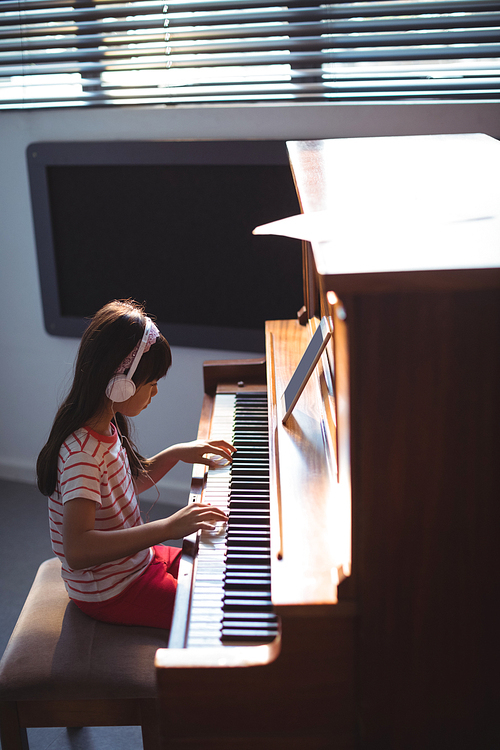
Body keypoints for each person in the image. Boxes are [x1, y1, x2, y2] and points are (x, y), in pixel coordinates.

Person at [36, 299, 233, 629]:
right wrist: (167, 528)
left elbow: (126, 487)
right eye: (152, 383)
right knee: (212, 612)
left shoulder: (104, 428)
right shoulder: (81, 455)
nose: (155, 392)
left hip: (138, 562)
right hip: (113, 590)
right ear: (120, 382)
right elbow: (78, 549)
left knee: (221, 566)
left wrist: (175, 453)